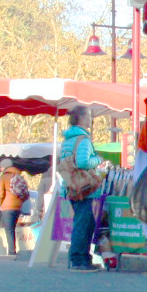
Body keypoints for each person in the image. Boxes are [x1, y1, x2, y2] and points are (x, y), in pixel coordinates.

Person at [57, 104, 101, 270]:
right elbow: (83, 162)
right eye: (88, 116)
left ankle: (79, 257)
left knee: (80, 223)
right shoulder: (83, 140)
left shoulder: (68, 140)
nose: (90, 119)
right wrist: (98, 160)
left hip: (71, 187)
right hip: (85, 188)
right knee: (84, 224)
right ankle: (79, 259)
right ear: (82, 118)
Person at [0, 160, 31, 256]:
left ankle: (11, 251)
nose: (0, 169)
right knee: (13, 228)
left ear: (4, 167)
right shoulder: (18, 176)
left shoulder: (3, 177)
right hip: (18, 207)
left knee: (9, 230)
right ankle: (12, 250)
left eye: (1, 167)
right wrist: (19, 202)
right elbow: (25, 193)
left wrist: (1, 204)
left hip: (7, 207)